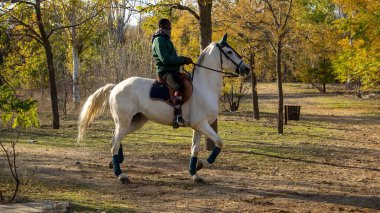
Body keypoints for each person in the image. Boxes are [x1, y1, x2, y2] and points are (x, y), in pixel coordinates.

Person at [151, 18, 193, 128]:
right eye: (168, 27)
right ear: (162, 27)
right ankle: (177, 116)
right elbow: (165, 59)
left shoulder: (167, 40)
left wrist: (184, 61)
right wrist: (183, 59)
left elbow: (173, 58)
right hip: (164, 71)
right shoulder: (159, 40)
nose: (170, 29)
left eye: (170, 27)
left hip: (173, 70)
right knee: (178, 86)